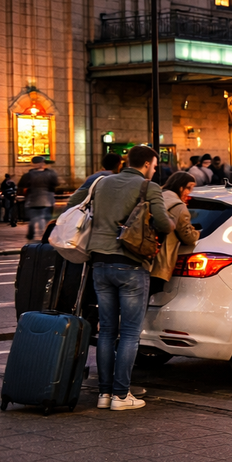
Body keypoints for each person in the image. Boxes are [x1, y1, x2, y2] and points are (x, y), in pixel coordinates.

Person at [64, 145, 174, 411]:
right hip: (130, 264)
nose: (155, 169)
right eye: (155, 165)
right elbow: (165, 224)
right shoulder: (148, 187)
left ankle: (104, 394)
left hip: (99, 263)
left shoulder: (100, 182)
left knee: (106, 331)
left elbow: (71, 205)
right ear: (147, 164)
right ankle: (121, 395)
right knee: (129, 334)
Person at [151, 172, 201, 297]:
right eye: (189, 188)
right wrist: (197, 233)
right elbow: (188, 237)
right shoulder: (178, 207)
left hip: (143, 258)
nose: (190, 192)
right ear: (180, 187)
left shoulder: (156, 197)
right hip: (160, 264)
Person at [18, 156, 59, 242]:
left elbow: (21, 185)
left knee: (34, 219)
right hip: (47, 199)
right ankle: (44, 235)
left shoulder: (28, 175)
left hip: (33, 200)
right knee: (46, 218)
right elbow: (55, 184)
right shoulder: (50, 174)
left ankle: (31, 235)